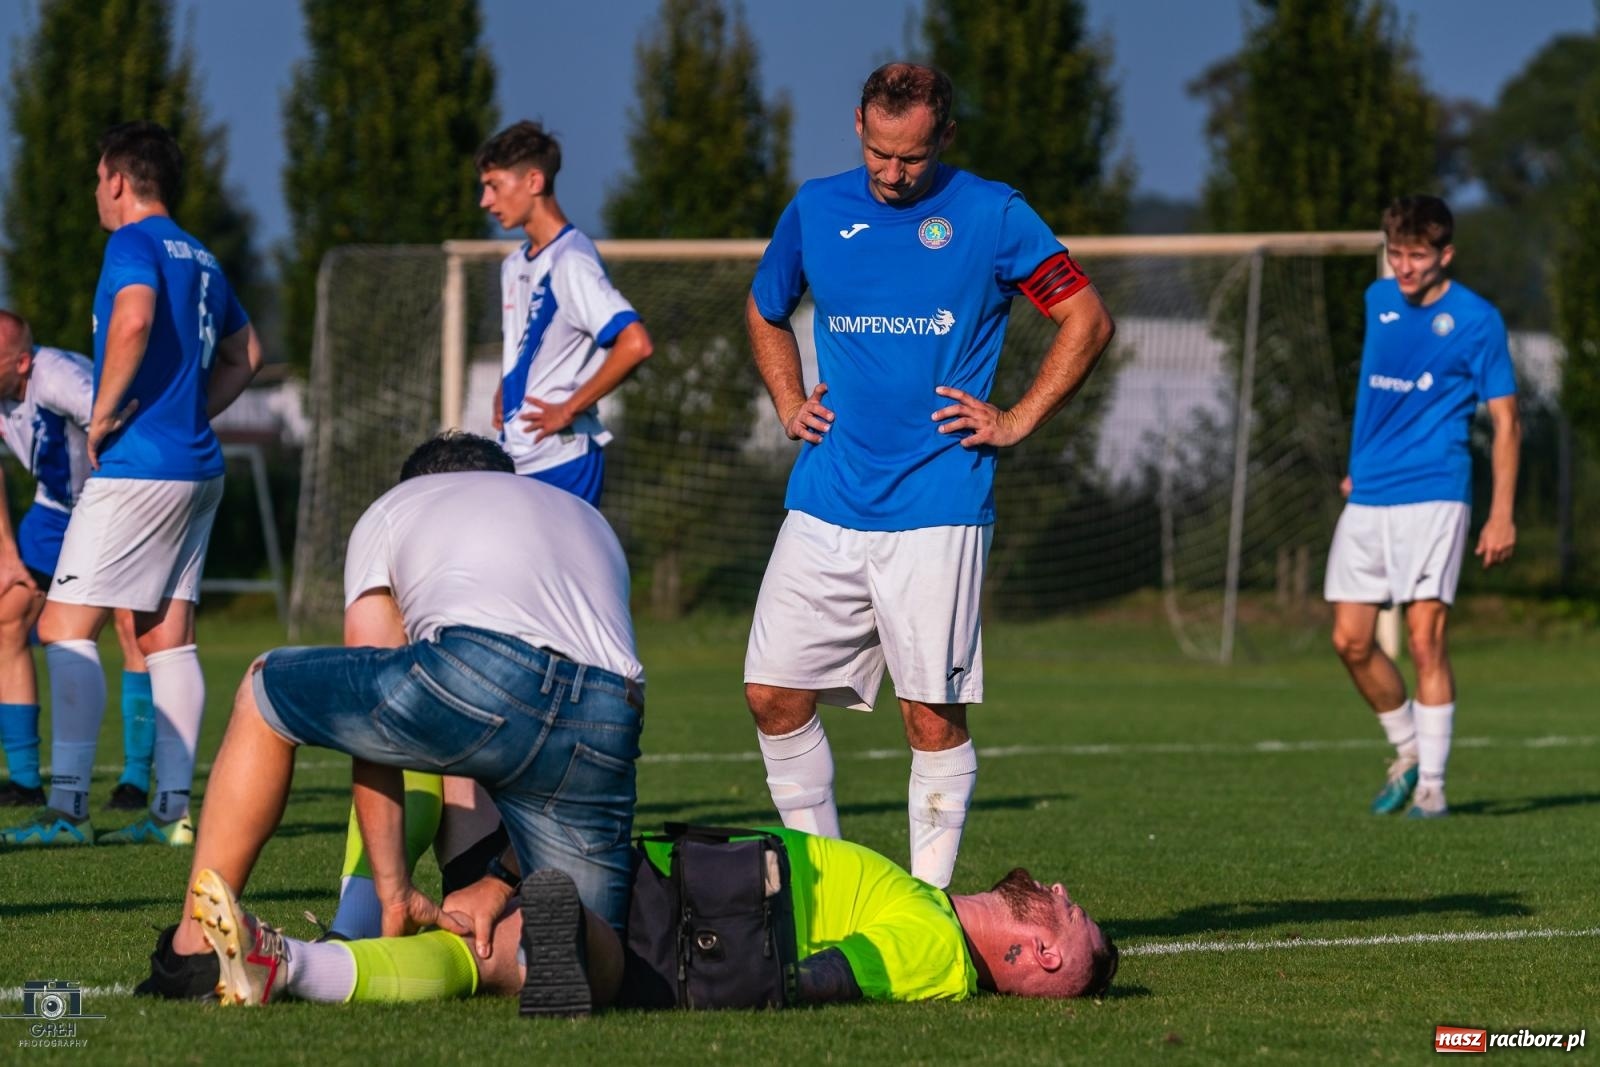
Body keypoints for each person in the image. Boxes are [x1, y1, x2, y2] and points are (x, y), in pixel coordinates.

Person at [743, 63, 1115, 886]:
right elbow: (765, 308)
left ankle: (929, 903)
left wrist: (1016, 418)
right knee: (771, 692)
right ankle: (831, 883)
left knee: (930, 714)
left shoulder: (993, 213)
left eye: (911, 157)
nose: (892, 172)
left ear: (945, 136)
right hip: (826, 493)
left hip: (938, 501)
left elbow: (1087, 319)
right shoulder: (815, 207)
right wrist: (788, 399)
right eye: (879, 152)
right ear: (858, 125)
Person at [134, 432, 647, 999]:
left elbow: (371, 721)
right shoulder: (583, 518)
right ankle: (572, 945)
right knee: (591, 949)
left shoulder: (397, 507)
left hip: (481, 671)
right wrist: (502, 879)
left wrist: (394, 889)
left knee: (263, 689)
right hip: (610, 709)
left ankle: (193, 950)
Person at [0, 122, 262, 847]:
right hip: (198, 468)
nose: (96, 192)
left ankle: (67, 811)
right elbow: (248, 353)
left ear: (117, 179)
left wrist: (108, 412)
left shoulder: (132, 243)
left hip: (139, 467)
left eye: (97, 179)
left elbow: (134, 320)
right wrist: (192, 414)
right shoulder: (203, 256)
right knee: (166, 637)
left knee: (62, 628)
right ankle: (170, 814)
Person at [159, 827, 1118, 1013]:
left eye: (1072, 918)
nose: (1066, 892)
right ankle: (299, 957)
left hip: (686, 919)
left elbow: (812, 979)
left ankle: (304, 953)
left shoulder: (938, 950)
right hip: (679, 888)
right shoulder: (927, 905)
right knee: (486, 945)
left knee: (495, 946)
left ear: (1040, 953)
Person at [1327, 195, 1520, 819]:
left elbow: (1507, 421)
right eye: (1396, 254)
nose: (1404, 267)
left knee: (1424, 639)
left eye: (1416, 256)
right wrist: (1358, 464)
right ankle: (1409, 750)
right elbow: (1376, 393)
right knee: (1350, 641)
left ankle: (1432, 789)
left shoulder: (1478, 320)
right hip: (1370, 492)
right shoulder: (1377, 300)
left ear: (1446, 254)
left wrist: (1501, 513)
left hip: (1436, 491)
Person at [0, 311, 152, 811]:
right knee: (8, 617)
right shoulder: (6, 387)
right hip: (53, 510)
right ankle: (25, 781)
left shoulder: (60, 378)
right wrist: (7, 554)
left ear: (22, 363)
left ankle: (135, 782)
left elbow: (123, 422)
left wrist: (127, 516)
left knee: (132, 626)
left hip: (113, 502)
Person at [476, 120, 653, 507]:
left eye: (494, 185)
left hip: (563, 460)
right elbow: (530, 346)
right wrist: (505, 388)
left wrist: (569, 409)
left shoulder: (571, 260)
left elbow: (635, 343)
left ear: (534, 181)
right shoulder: (514, 264)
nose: (485, 201)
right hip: (516, 455)